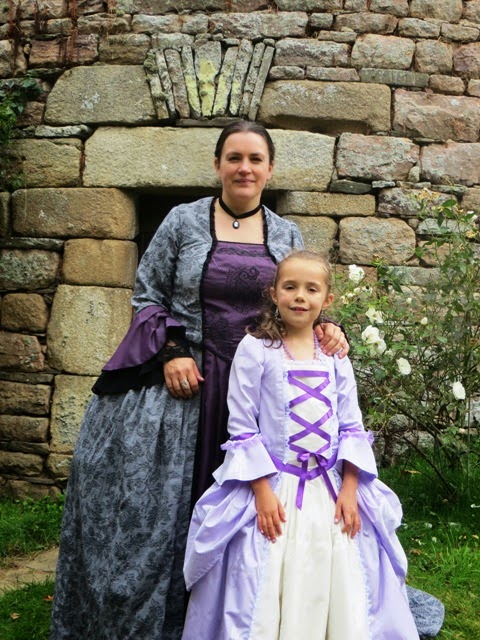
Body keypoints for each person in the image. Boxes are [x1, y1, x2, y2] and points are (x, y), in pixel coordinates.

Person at [50, 122, 348, 640]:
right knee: (159, 510)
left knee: (259, 505)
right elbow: (148, 295)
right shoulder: (182, 221)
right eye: (234, 158)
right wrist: (172, 353)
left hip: (259, 389)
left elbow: (302, 295)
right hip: (190, 385)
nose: (244, 168)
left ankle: (241, 618)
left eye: (255, 159)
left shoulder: (286, 234)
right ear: (217, 165)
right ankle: (165, 620)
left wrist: (328, 327)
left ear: (270, 169)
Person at [182, 250, 423, 640]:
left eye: (311, 289)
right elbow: (242, 424)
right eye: (290, 286)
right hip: (273, 486)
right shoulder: (256, 349)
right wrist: (262, 492)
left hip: (331, 489)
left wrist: (350, 489)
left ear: (327, 299)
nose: (299, 296)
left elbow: (352, 425)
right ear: (273, 293)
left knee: (343, 571)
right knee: (264, 570)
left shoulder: (334, 355)